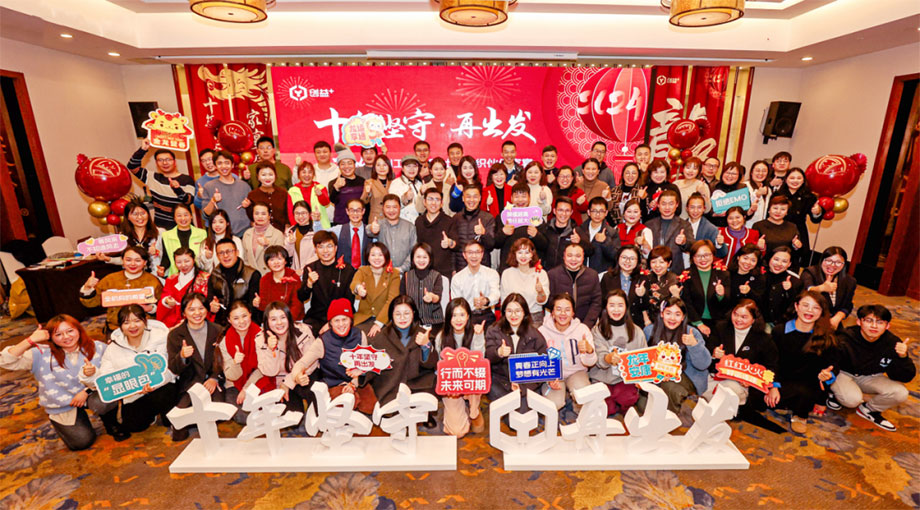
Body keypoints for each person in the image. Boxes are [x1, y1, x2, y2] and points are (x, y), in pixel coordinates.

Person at [1, 316, 111, 450]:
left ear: (79, 329)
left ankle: (111, 422)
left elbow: (112, 372)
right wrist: (30, 340)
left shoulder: (97, 347)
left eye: (70, 331)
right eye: (58, 334)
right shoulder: (41, 354)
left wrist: (86, 391)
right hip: (61, 403)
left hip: (91, 394)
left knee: (105, 401)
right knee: (82, 442)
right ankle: (71, 421)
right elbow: (5, 361)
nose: (66, 337)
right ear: (50, 337)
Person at [82, 305, 177, 439]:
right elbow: (106, 378)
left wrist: (155, 384)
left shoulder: (162, 338)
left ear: (145, 321)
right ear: (120, 326)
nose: (132, 326)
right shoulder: (113, 348)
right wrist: (90, 375)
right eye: (126, 322)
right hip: (134, 394)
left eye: (137, 321)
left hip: (163, 387)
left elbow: (174, 368)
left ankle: (166, 412)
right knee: (135, 426)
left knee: (170, 415)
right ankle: (152, 414)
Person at [827, 305, 915, 431]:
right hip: (844, 373)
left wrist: (903, 357)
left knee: (900, 393)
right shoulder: (844, 338)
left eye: (880, 322)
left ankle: (868, 409)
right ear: (859, 322)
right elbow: (827, 364)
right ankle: (832, 394)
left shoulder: (892, 342)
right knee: (851, 400)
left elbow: (905, 377)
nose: (874, 326)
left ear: (887, 326)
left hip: (870, 376)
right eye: (869, 321)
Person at [704, 300, 783, 431]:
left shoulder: (764, 338)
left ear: (754, 319)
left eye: (744, 317)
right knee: (707, 391)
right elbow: (707, 350)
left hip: (741, 385)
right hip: (716, 376)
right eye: (735, 314)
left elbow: (772, 365)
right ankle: (722, 417)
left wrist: (769, 384)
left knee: (727, 391)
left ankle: (711, 426)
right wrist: (713, 353)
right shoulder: (721, 327)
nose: (738, 319)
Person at [771, 290, 840, 434]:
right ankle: (787, 403)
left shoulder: (827, 337)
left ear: (821, 312)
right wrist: (773, 386)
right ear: (796, 307)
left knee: (804, 392)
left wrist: (827, 377)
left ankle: (800, 415)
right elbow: (771, 361)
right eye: (805, 305)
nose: (809, 311)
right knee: (756, 400)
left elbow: (832, 366)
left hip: (807, 384)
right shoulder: (779, 331)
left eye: (816, 308)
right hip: (781, 379)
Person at [365, 296, 438, 422]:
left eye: (406, 313)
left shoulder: (423, 334)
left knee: (425, 400)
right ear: (391, 315)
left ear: (413, 313)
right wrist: (361, 373)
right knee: (395, 420)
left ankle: (422, 414)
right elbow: (372, 366)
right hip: (391, 387)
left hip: (417, 385)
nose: (402, 318)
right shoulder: (380, 338)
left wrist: (426, 346)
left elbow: (431, 365)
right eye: (398, 314)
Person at [166, 292, 226, 441]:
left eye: (201, 308)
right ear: (184, 312)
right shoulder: (175, 335)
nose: (197, 313)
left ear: (207, 309)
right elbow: (173, 368)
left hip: (212, 382)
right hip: (190, 384)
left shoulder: (218, 330)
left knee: (217, 412)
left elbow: (224, 359)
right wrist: (182, 356)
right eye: (191, 309)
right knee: (179, 430)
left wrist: (214, 377)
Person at [642, 297, 711, 414]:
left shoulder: (691, 332)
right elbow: (642, 360)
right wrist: (660, 373)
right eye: (668, 313)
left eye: (677, 314)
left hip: (686, 376)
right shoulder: (649, 331)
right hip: (656, 375)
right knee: (645, 402)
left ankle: (683, 414)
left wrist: (694, 344)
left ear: (683, 317)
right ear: (662, 314)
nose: (672, 318)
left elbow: (703, 364)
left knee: (670, 387)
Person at [254, 301, 322, 414]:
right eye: (273, 319)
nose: (279, 323)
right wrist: (272, 350)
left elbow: (312, 362)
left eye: (283, 317)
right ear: (267, 322)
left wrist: (288, 382)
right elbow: (269, 372)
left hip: (304, 375)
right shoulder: (261, 339)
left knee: (316, 401)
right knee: (293, 416)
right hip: (280, 382)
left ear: (289, 318)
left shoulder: (303, 331)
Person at [80, 246, 163, 334]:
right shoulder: (110, 279)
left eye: (138, 260)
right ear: (122, 261)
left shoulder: (152, 281)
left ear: (145, 262)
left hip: (145, 327)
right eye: (128, 260)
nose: (132, 264)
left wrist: (150, 308)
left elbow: (162, 306)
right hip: (115, 327)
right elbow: (91, 303)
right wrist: (87, 288)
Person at [590, 290, 646, 416]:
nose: (616, 310)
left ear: (626, 307)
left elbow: (644, 359)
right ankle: (613, 405)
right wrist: (608, 358)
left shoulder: (637, 331)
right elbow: (599, 359)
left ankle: (622, 404)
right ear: (606, 307)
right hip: (602, 378)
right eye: (612, 305)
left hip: (624, 380)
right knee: (606, 409)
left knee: (628, 399)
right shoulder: (597, 330)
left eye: (620, 305)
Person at [437, 298, 487, 437]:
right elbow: (440, 369)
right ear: (448, 318)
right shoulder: (441, 337)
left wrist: (479, 337)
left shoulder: (476, 332)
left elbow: (479, 363)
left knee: (476, 378)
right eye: (454, 315)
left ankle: (474, 411)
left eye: (462, 315)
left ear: (468, 316)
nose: (458, 319)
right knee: (457, 432)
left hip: (471, 382)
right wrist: (451, 388)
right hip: (452, 385)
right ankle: (463, 409)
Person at [218, 301, 274, 424]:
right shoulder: (225, 342)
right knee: (242, 416)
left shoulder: (261, 335)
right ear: (229, 320)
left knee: (269, 408)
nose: (241, 321)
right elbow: (231, 376)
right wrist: (235, 363)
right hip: (235, 384)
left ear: (250, 314)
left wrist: (246, 389)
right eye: (236, 318)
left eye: (244, 316)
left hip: (259, 379)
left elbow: (263, 369)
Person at [485, 294, 548, 402]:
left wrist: (523, 388)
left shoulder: (535, 335)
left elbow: (543, 365)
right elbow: (488, 356)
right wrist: (498, 352)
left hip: (527, 384)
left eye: (518, 311)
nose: (513, 315)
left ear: (524, 312)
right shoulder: (494, 330)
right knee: (506, 407)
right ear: (504, 312)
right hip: (500, 382)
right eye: (509, 311)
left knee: (523, 410)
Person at [539, 293, 597, 411]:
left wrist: (589, 351)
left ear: (573, 313)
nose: (563, 313)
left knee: (586, 398)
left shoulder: (582, 329)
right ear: (552, 312)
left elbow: (590, 363)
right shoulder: (542, 332)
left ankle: (577, 405)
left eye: (567, 310)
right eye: (558, 309)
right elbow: (538, 362)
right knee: (552, 405)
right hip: (553, 375)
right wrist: (548, 379)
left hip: (576, 372)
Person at [317, 298, 376, 413]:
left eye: (344, 319)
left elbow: (365, 365)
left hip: (357, 381)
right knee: (350, 401)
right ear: (330, 323)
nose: (341, 324)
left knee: (371, 406)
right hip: (333, 383)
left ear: (351, 320)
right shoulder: (322, 340)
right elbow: (303, 362)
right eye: (336, 320)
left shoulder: (360, 335)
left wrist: (353, 384)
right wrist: (296, 376)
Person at [297, 231, 357, 333]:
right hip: (317, 317)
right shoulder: (310, 268)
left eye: (329, 246)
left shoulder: (347, 269)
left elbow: (349, 301)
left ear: (336, 248)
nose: (325, 251)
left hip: (341, 317)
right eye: (320, 247)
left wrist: (330, 324)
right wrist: (309, 283)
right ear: (315, 249)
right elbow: (302, 297)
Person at [126, 141, 194, 229]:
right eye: (160, 160)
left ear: (174, 162)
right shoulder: (152, 177)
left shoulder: (186, 179)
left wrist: (178, 189)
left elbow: (188, 201)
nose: (164, 163)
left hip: (183, 227)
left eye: (168, 159)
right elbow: (132, 166)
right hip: (161, 228)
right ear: (156, 163)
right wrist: (143, 149)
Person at [681, 240, 731, 336]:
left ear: (713, 255)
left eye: (706, 255)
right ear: (692, 258)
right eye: (698, 256)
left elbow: (727, 303)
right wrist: (698, 323)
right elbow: (686, 302)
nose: (703, 259)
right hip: (694, 321)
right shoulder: (686, 275)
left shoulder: (723, 273)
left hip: (718, 322)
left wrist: (721, 295)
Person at [351, 242, 401, 338]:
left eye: (380, 255)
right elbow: (355, 283)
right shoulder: (362, 270)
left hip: (384, 319)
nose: (377, 258)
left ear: (386, 256)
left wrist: (379, 323)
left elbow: (392, 300)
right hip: (363, 318)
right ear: (367, 257)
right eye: (373, 255)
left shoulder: (394, 274)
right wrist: (359, 288)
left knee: (378, 339)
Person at [157, 247, 216, 328]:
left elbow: (208, 303)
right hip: (174, 319)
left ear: (193, 260)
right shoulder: (171, 279)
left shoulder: (205, 278)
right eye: (179, 262)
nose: (183, 265)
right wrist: (167, 301)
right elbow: (165, 296)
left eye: (187, 261)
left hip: (197, 318)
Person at [800, 246, 857, 329]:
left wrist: (837, 318)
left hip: (833, 321)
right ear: (822, 260)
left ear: (844, 264)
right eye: (829, 261)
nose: (832, 265)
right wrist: (821, 288)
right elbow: (807, 291)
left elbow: (847, 306)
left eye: (838, 262)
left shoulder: (850, 281)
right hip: (809, 318)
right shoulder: (810, 272)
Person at [547, 243, 603, 328]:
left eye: (578, 256)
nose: (573, 259)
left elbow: (596, 302)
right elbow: (549, 301)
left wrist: (586, 325)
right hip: (558, 324)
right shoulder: (553, 274)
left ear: (583, 257)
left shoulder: (592, 275)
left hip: (585, 324)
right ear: (564, 257)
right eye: (569, 255)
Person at [494, 183, 547, 271]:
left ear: (529, 198)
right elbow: (495, 244)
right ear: (511, 198)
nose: (520, 200)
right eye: (516, 196)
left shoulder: (536, 217)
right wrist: (503, 233)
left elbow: (545, 245)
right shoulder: (504, 217)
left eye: (523, 196)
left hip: (531, 268)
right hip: (508, 267)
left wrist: (536, 235)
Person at [776, 167, 822, 266]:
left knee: (795, 261)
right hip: (779, 230)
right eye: (792, 178)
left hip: (798, 231)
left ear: (803, 180)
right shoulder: (777, 194)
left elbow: (815, 220)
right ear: (786, 179)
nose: (795, 181)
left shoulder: (809, 197)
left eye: (799, 178)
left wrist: (817, 212)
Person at [201, 150, 252, 237]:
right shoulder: (209, 186)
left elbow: (252, 212)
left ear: (232, 165)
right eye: (219, 163)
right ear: (215, 166)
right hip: (222, 235)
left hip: (245, 234)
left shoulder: (244, 185)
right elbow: (205, 215)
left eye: (227, 163)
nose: (224, 166)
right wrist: (213, 201)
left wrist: (248, 205)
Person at [445, 185, 496, 271]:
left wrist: (484, 233)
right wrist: (453, 269)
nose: (471, 200)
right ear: (463, 198)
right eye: (468, 197)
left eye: (475, 197)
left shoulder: (488, 218)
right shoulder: (456, 218)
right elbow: (454, 248)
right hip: (461, 268)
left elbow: (491, 245)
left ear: (480, 198)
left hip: (482, 268)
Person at [450, 239, 501, 326]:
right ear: (464, 255)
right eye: (470, 252)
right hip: (467, 316)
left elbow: (496, 294)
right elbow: (457, 303)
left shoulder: (492, 273)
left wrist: (486, 300)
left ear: (482, 254)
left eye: (477, 252)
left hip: (487, 314)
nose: (474, 256)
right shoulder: (457, 278)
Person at [211, 238, 261, 325]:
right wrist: (212, 306)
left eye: (229, 251)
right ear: (217, 256)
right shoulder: (214, 275)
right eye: (221, 253)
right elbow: (210, 299)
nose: (225, 255)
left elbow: (253, 308)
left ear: (237, 252)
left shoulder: (252, 274)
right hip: (221, 323)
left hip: (245, 323)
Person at [500, 238, 550, 323]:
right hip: (512, 316)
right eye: (520, 252)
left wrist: (540, 291)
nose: (523, 256)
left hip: (534, 317)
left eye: (527, 253)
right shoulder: (507, 273)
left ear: (532, 254)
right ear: (514, 254)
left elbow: (542, 301)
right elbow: (504, 301)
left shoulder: (541, 273)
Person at [644, 189, 694, 273]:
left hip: (675, 271)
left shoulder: (684, 224)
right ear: (658, 205)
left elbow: (692, 247)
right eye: (663, 204)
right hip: (653, 271)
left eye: (671, 204)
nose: (667, 207)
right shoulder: (649, 225)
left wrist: (684, 242)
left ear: (677, 205)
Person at [752, 195, 806, 270]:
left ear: (787, 212)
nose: (778, 212)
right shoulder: (758, 226)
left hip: (784, 267)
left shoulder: (792, 227)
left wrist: (797, 246)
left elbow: (798, 253)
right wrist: (759, 247)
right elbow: (751, 251)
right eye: (775, 208)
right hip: (763, 267)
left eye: (783, 209)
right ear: (769, 209)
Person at [400, 243, 445, 329]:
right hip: (411, 322)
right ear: (413, 258)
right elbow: (402, 299)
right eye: (418, 257)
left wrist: (432, 297)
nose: (421, 260)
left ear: (430, 259)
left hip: (434, 322)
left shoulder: (436, 276)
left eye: (425, 257)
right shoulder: (406, 276)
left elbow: (437, 297)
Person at [600, 245, 648, 327]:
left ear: (638, 261)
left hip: (634, 325)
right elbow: (601, 303)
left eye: (632, 259)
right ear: (618, 258)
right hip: (610, 323)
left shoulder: (643, 279)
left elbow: (646, 307)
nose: (627, 261)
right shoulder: (607, 277)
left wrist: (642, 295)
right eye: (624, 257)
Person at [367, 194, 417, 273]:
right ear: (383, 208)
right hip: (382, 273)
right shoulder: (379, 225)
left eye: (394, 207)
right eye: (388, 207)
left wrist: (402, 268)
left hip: (404, 273)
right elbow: (368, 231)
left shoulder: (410, 227)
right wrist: (372, 229)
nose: (391, 210)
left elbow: (414, 251)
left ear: (400, 208)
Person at [157, 204, 207, 278]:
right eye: (179, 215)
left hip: (198, 275)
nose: (183, 218)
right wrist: (162, 268)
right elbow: (166, 258)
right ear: (174, 218)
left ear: (191, 216)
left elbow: (205, 257)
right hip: (176, 276)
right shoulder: (166, 235)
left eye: (186, 215)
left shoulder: (202, 233)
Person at [256, 246, 304, 321]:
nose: (276, 262)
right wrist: (258, 303)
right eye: (272, 260)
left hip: (293, 320)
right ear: (267, 263)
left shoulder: (294, 277)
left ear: (285, 261)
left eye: (279, 259)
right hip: (273, 320)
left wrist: (287, 321)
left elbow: (297, 305)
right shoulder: (265, 279)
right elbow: (264, 307)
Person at [541, 197, 592, 269]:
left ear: (571, 212)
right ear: (554, 211)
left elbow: (590, 251)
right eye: (560, 210)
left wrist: (580, 242)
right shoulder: (545, 228)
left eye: (567, 211)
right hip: (546, 272)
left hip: (567, 273)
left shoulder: (577, 230)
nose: (564, 214)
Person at [415, 187, 455, 277]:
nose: (433, 203)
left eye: (437, 200)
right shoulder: (419, 221)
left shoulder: (449, 221)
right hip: (423, 269)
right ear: (424, 202)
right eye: (430, 199)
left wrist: (450, 243)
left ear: (441, 203)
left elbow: (457, 244)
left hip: (444, 271)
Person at [116, 197, 163, 273]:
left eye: (143, 213)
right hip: (133, 276)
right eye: (135, 214)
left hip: (155, 275)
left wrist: (157, 252)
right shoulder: (123, 236)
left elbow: (169, 257)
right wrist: (108, 259)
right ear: (128, 217)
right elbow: (125, 260)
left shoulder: (160, 233)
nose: (140, 217)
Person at [762, 247, 802, 330]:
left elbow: (797, 306)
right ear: (770, 259)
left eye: (784, 261)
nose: (779, 264)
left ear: (789, 264)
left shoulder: (795, 281)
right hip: (760, 323)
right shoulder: (760, 277)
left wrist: (789, 291)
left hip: (783, 325)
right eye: (776, 259)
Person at [577, 197, 620, 274]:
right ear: (588, 212)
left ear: (606, 213)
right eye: (594, 211)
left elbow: (616, 256)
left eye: (601, 211)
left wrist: (605, 241)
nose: (597, 214)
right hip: (581, 273)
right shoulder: (579, 230)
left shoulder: (611, 232)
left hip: (602, 274)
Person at [684, 192, 727, 269]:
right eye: (692, 207)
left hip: (700, 267)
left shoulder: (710, 228)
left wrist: (719, 244)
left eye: (699, 207)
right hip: (682, 265)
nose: (695, 211)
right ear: (687, 208)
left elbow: (722, 254)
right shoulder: (680, 225)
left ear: (704, 209)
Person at [241, 202, 285, 275]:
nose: (260, 216)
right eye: (256, 213)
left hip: (269, 275)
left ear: (269, 216)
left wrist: (267, 245)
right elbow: (245, 259)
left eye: (263, 214)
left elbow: (279, 259)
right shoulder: (247, 233)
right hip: (251, 276)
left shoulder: (277, 234)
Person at [244, 161, 288, 232]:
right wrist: (247, 206)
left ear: (275, 176)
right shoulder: (252, 195)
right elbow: (252, 218)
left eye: (270, 174)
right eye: (263, 175)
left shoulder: (283, 193)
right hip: (261, 233)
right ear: (258, 177)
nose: (267, 178)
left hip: (281, 233)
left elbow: (287, 215)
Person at [287, 159, 331, 230]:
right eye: (303, 172)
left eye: (310, 172)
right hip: (301, 227)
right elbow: (290, 212)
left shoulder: (320, 187)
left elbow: (326, 203)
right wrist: (295, 228)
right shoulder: (292, 191)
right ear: (298, 175)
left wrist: (320, 195)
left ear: (313, 175)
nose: (307, 175)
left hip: (321, 226)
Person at [644, 246, 681, 326]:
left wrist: (676, 295)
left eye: (661, 262)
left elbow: (678, 306)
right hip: (647, 320)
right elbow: (641, 302)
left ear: (669, 263)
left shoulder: (674, 279)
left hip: (668, 320)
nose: (657, 265)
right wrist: (646, 320)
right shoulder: (646, 278)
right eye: (653, 262)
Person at [708, 162, 753, 228]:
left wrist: (751, 211)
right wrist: (713, 214)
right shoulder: (712, 187)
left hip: (735, 228)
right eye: (727, 172)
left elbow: (746, 213)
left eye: (734, 174)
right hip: (713, 226)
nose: (730, 176)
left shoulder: (742, 188)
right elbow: (704, 209)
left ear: (739, 176)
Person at [331, 198, 371, 269]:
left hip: (365, 272)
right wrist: (317, 221)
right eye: (352, 210)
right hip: (344, 271)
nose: (355, 214)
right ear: (347, 211)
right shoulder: (339, 229)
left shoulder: (370, 231)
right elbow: (321, 235)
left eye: (358, 210)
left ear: (363, 211)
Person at [328, 148, 366, 225]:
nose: (346, 166)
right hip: (340, 223)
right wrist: (336, 188)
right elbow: (332, 200)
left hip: (360, 223)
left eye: (349, 163)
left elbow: (366, 203)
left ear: (355, 165)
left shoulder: (362, 181)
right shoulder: (333, 182)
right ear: (339, 166)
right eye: (343, 164)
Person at [727, 243, 766, 308]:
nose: (748, 262)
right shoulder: (727, 274)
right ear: (738, 257)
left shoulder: (759, 278)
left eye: (753, 260)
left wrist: (749, 292)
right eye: (745, 258)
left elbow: (761, 302)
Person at [283, 201, 317, 272]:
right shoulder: (290, 231)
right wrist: (289, 243)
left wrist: (305, 268)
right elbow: (287, 255)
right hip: (296, 272)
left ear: (310, 213)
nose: (300, 216)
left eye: (303, 213)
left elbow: (319, 254)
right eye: (297, 213)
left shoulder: (316, 230)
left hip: (313, 270)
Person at [389, 154, 425, 224]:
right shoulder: (396, 183)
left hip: (419, 224)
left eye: (415, 166)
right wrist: (405, 198)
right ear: (402, 168)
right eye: (408, 166)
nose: (412, 169)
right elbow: (392, 206)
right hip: (403, 224)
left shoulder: (420, 184)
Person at [361, 154, 393, 224]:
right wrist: (367, 192)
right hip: (376, 218)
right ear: (374, 167)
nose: (381, 168)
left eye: (384, 165)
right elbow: (364, 201)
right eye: (378, 165)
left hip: (391, 218)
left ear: (389, 167)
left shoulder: (394, 182)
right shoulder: (370, 182)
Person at [577, 158, 611, 223]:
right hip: (579, 225)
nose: (590, 172)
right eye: (588, 169)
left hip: (598, 224)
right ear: (583, 171)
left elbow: (608, 209)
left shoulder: (604, 186)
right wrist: (577, 204)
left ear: (598, 171)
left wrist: (608, 198)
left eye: (594, 169)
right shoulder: (576, 186)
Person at [193, 149, 219, 222]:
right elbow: (198, 206)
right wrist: (199, 196)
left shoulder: (229, 176)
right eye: (203, 161)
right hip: (212, 222)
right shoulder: (200, 182)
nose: (207, 163)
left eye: (210, 159)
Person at [745, 159, 772, 228]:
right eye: (757, 170)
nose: (760, 173)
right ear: (751, 172)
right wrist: (757, 194)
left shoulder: (768, 190)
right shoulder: (744, 186)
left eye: (764, 171)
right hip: (746, 226)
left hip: (761, 227)